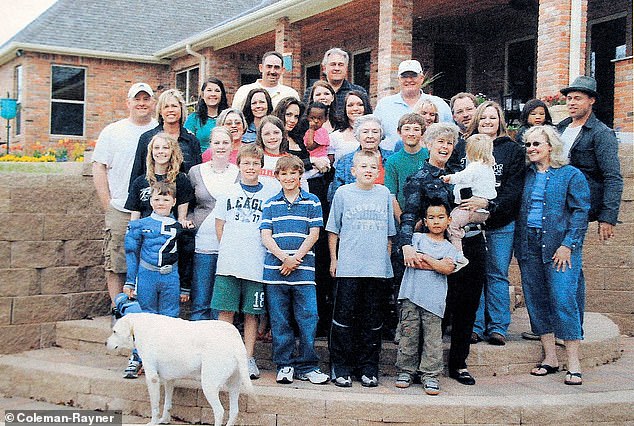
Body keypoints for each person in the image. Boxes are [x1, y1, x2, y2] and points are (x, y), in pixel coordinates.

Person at [400, 122, 487, 386]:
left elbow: (483, 200)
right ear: (429, 144)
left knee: (467, 306)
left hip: (468, 243)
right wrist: (405, 245)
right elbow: (409, 215)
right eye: (440, 142)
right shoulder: (418, 178)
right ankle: (421, 369)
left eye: (449, 143)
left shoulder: (463, 174)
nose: (445, 147)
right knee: (435, 311)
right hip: (433, 247)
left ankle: (459, 363)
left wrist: (486, 202)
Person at [515, 125, 590, 385]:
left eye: (537, 144)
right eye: (529, 145)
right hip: (529, 245)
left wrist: (568, 244)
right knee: (536, 299)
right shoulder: (525, 175)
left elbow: (581, 212)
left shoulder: (571, 175)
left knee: (563, 299)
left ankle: (574, 362)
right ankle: (550, 358)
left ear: (551, 146)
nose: (532, 149)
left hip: (560, 248)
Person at [326, 150, 396, 387]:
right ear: (353, 170)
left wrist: (385, 263)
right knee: (343, 320)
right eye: (363, 166)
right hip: (348, 267)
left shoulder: (384, 193)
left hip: (376, 269)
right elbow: (333, 229)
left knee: (372, 321)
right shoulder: (343, 193)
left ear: (378, 171)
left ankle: (368, 368)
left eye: (372, 167)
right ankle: (341, 366)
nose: (368, 170)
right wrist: (334, 260)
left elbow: (389, 235)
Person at [211, 144, 279, 380]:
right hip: (230, 263)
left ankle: (247, 358)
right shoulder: (228, 194)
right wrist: (230, 249)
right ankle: (223, 358)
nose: (251, 167)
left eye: (255, 163)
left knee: (252, 314)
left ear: (261, 166)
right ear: (238, 165)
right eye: (246, 163)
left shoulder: (269, 195)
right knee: (226, 312)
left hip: (256, 263)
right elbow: (220, 226)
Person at [260, 155, 329, 385]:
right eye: (284, 174)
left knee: (308, 317)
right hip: (275, 270)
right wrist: (283, 258)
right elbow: (266, 236)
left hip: (303, 271)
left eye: (293, 173)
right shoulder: (270, 203)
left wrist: (295, 258)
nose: (289, 178)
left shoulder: (312, 202)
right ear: (277, 176)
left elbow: (314, 234)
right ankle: (285, 364)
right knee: (280, 321)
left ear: (300, 175)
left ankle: (308, 365)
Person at [462, 101, 526, 346]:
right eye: (483, 118)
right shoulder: (467, 146)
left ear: (500, 120)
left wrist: (491, 207)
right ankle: (475, 325)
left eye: (493, 117)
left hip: (501, 222)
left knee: (498, 273)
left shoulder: (512, 150)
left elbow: (513, 189)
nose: (488, 122)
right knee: (474, 274)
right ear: (477, 120)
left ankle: (498, 326)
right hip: (473, 222)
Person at [92, 82, 157, 314]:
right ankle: (118, 310)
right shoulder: (113, 131)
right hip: (120, 207)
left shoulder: (159, 131)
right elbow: (99, 167)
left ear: (152, 103)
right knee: (117, 262)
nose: (141, 103)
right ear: (128, 103)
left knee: (150, 262)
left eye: (146, 99)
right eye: (137, 99)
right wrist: (107, 204)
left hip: (154, 209)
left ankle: (145, 313)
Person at [395, 200, 468, 395]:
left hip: (434, 303)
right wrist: (435, 262)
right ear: (425, 221)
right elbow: (411, 261)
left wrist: (426, 258)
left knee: (432, 341)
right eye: (431, 218)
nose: (436, 221)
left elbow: (447, 268)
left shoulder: (451, 248)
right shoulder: (416, 239)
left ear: (449, 220)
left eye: (441, 217)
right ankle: (406, 371)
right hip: (410, 297)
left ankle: (430, 375)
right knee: (408, 336)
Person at [122, 181, 190, 378]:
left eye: (166, 199)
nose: (161, 202)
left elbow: (186, 258)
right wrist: (130, 281)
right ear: (150, 201)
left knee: (169, 317)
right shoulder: (139, 225)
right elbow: (131, 254)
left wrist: (185, 286)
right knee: (145, 317)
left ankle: (165, 359)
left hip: (170, 275)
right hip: (147, 274)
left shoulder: (179, 227)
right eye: (157, 198)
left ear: (174, 201)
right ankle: (138, 357)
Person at [557, 75, 623, 241]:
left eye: (578, 98)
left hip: (580, 205)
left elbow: (612, 177)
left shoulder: (601, 133)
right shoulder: (560, 128)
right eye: (569, 98)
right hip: (556, 203)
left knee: (569, 255)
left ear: (591, 100)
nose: (571, 103)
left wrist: (608, 217)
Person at [187, 127, 239, 321]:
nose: (221, 146)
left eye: (225, 142)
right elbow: (187, 204)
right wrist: (190, 221)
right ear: (210, 145)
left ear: (232, 145)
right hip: (202, 243)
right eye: (217, 142)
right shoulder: (196, 172)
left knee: (220, 302)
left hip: (226, 245)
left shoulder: (238, 173)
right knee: (200, 299)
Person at [374, 59, 452, 150]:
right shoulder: (384, 105)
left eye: (413, 76)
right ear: (398, 79)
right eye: (404, 76)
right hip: (392, 159)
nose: (409, 80)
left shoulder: (439, 104)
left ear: (422, 78)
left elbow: (450, 134)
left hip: (430, 160)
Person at [130, 89, 202, 184]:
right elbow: (136, 176)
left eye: (174, 106)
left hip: (184, 195)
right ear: (160, 111)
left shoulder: (192, 141)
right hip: (152, 194)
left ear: (181, 109)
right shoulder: (147, 139)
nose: (170, 110)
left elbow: (197, 177)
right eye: (166, 106)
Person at [441, 134, 497, 252]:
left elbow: (463, 177)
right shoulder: (488, 167)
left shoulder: (475, 166)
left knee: (452, 225)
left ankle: (458, 253)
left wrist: (449, 178)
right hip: (484, 211)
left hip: (473, 210)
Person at [125, 132, 194, 223]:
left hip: (171, 232)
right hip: (146, 232)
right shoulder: (140, 182)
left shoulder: (181, 180)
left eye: (165, 148)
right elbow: (134, 220)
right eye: (156, 148)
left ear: (172, 152)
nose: (160, 151)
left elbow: (181, 219)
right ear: (151, 152)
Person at [328, 114, 393, 200]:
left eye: (375, 132)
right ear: (357, 135)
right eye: (365, 132)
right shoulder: (345, 161)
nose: (370, 136)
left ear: (381, 135)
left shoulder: (391, 158)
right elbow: (336, 196)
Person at [302, 47, 370, 118]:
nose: (337, 69)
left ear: (346, 68)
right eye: (333, 64)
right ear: (324, 68)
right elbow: (304, 119)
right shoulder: (311, 92)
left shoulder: (358, 91)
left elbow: (367, 118)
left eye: (340, 65)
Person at [231, 51, 300, 110]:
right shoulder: (244, 91)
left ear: (282, 70)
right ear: (261, 68)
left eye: (276, 67)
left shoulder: (290, 94)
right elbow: (235, 117)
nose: (272, 71)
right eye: (269, 66)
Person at [328, 90, 372, 167]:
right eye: (350, 105)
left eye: (360, 104)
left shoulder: (375, 135)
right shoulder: (334, 137)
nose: (355, 108)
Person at [184, 77, 229, 152]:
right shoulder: (193, 119)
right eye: (209, 90)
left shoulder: (228, 117)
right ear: (202, 94)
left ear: (222, 95)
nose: (213, 94)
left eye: (217, 91)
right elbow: (187, 144)